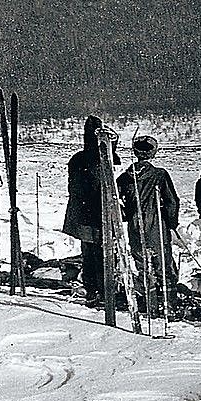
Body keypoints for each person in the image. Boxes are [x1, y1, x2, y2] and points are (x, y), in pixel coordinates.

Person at [116, 136, 181, 315]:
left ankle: (151, 306)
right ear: (153, 153)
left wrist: (127, 215)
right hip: (156, 227)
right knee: (163, 265)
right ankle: (170, 307)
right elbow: (171, 201)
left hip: (135, 229)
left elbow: (116, 203)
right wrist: (172, 222)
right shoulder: (160, 175)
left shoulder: (124, 178)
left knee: (143, 266)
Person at [62, 115, 119, 306]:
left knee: (89, 253)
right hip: (97, 215)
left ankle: (93, 290)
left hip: (83, 215)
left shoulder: (78, 158)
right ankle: (102, 291)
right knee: (102, 253)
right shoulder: (100, 158)